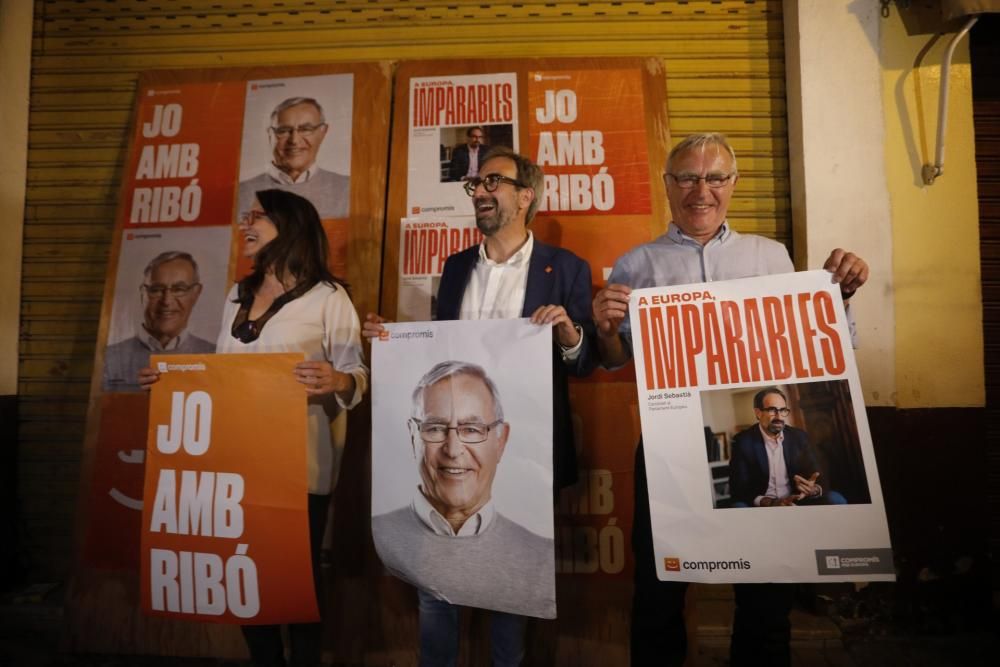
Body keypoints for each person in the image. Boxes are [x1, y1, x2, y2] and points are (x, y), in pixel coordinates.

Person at [591, 132, 869, 667]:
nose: (702, 190)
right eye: (688, 178)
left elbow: (822, 347)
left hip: (754, 460)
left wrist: (841, 298)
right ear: (668, 186)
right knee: (658, 594)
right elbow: (611, 359)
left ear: (733, 185)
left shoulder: (771, 256)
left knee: (766, 602)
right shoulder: (635, 264)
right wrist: (604, 328)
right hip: (667, 451)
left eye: (715, 177)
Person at [365, 147, 595, 666]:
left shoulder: (567, 269)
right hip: (451, 457)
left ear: (525, 195)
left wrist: (569, 334)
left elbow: (584, 363)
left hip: (527, 456)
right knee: (435, 585)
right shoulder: (454, 267)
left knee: (511, 590)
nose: (481, 191)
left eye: (494, 181)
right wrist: (389, 340)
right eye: (475, 184)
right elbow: (437, 356)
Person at [140, 189, 368, 667]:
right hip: (236, 461)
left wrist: (339, 378)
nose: (247, 222)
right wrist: (170, 381)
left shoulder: (330, 298)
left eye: (259, 216)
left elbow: (357, 377)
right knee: (242, 575)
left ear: (291, 226)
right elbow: (222, 373)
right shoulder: (235, 294)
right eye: (248, 214)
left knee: (294, 577)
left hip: (300, 466)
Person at [373, 361, 554, 619]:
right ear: (413, 435)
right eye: (435, 428)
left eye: (472, 429)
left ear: (501, 440)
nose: (454, 449)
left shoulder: (538, 553)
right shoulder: (379, 539)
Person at [102, 251, 215, 392]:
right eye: (156, 290)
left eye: (179, 289)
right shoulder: (109, 358)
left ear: (196, 293)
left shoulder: (215, 356)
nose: (166, 301)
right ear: (143, 293)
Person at [728, 387, 847, 508]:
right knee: (737, 506)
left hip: (797, 500)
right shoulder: (743, 442)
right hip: (764, 505)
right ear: (758, 413)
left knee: (835, 499)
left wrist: (814, 489)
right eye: (772, 410)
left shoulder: (799, 437)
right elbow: (739, 489)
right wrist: (772, 502)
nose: (779, 417)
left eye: (783, 410)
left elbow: (817, 476)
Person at [238, 97, 350, 219]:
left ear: (323, 132)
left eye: (306, 129)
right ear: (270, 134)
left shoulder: (347, 188)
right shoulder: (240, 193)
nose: (294, 140)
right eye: (283, 130)